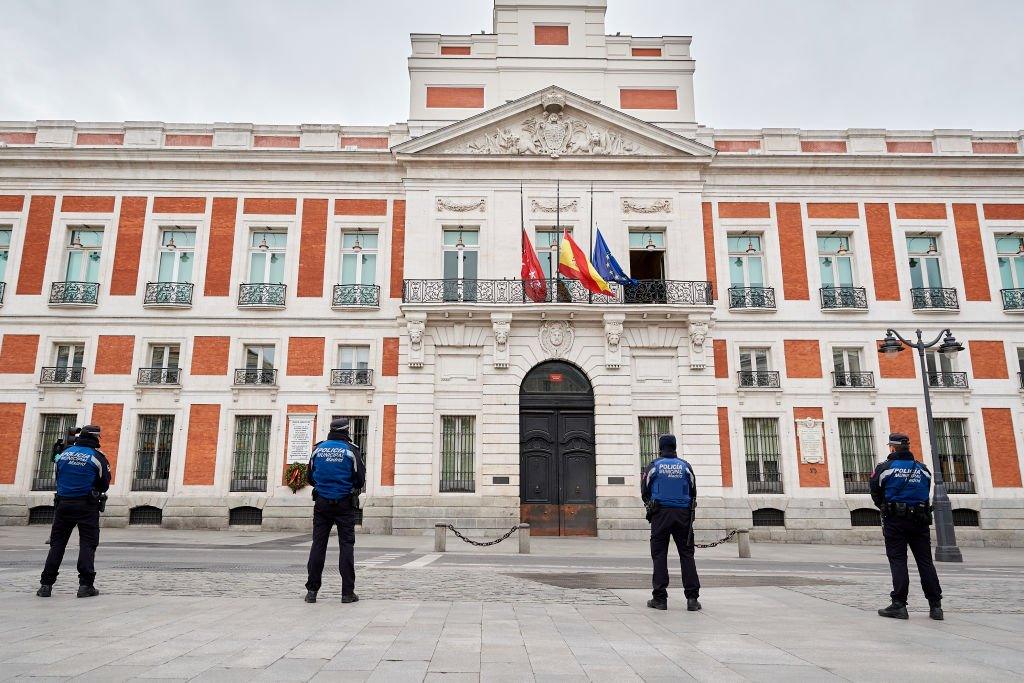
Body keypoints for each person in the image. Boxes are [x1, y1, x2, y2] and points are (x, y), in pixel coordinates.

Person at [870, 432, 943, 621]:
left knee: (898, 561)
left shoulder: (885, 468)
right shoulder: (922, 469)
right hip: (919, 520)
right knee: (925, 562)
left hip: (895, 521)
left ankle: (899, 605)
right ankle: (936, 606)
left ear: (893, 448)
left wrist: (886, 507)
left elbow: (875, 491)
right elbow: (926, 490)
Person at [37, 424, 110, 598]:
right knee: (87, 544)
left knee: (57, 545)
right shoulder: (97, 457)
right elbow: (104, 484)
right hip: (86, 505)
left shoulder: (63, 455)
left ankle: (45, 585)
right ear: (95, 439)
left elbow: (58, 476)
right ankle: (85, 585)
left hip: (63, 504)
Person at [304, 417, 365, 604]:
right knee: (346, 546)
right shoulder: (351, 450)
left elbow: (310, 477)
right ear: (347, 431)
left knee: (318, 545)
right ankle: (347, 593)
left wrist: (324, 487)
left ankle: (312, 591)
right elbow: (360, 479)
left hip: (322, 502)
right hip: (344, 503)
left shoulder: (319, 449)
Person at [641, 434, 701, 611]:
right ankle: (692, 599)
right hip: (683, 514)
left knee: (659, 555)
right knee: (687, 555)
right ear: (675, 447)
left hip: (660, 513)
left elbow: (644, 489)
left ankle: (660, 599)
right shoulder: (685, 466)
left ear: (660, 448)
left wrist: (651, 505)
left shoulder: (654, 466)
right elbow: (693, 490)